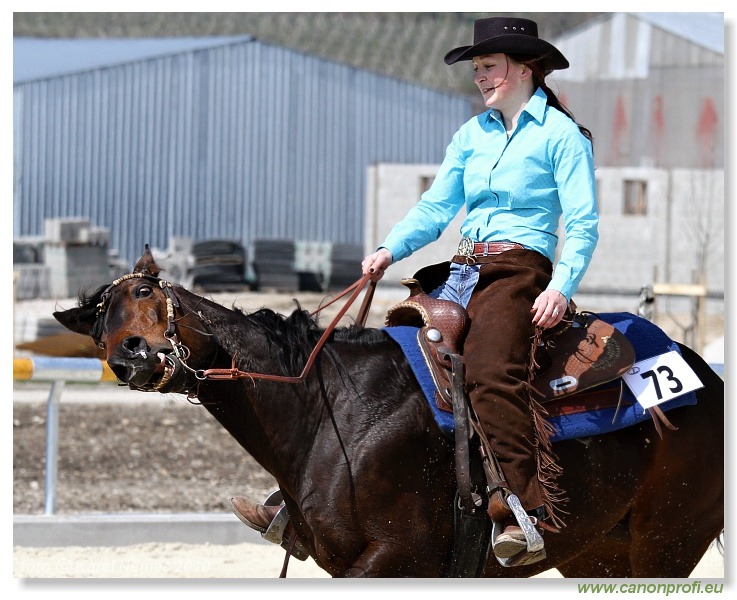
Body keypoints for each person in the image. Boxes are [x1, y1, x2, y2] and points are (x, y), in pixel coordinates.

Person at [232, 15, 598, 564]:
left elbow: (584, 222)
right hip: (462, 268)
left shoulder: (560, 136)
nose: (480, 77)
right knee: (389, 359)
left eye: (489, 67)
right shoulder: (472, 134)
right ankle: (306, 500)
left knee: (493, 370)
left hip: (519, 270)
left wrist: (562, 288)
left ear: (525, 68)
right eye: (476, 69)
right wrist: (389, 248)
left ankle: (524, 508)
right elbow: (437, 207)